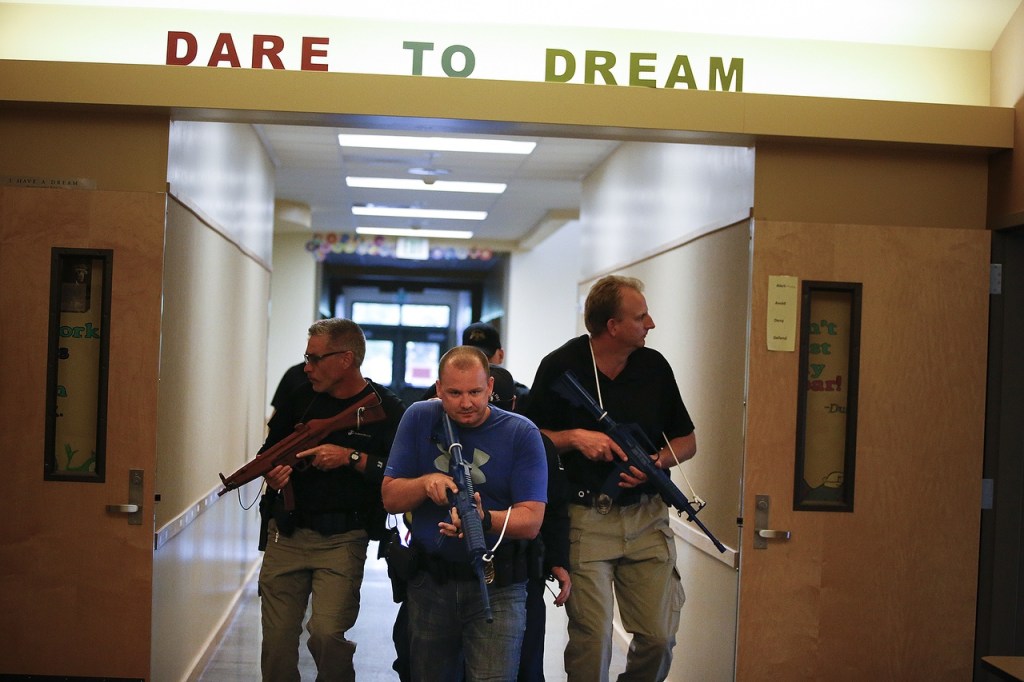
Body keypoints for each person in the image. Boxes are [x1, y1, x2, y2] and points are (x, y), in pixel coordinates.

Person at [525, 275, 696, 682]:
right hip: (587, 518)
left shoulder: (654, 367)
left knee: (658, 637)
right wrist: (574, 438)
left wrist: (655, 461)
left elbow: (687, 440)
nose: (651, 323)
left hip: (647, 517)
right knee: (593, 638)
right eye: (641, 317)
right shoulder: (560, 365)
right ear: (612, 326)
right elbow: (528, 437)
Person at [382, 345, 548, 681]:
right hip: (431, 582)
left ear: (490, 386)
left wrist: (484, 520)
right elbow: (390, 498)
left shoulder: (521, 433)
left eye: (475, 391)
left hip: (498, 584)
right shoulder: (418, 417)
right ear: (439, 389)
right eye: (454, 393)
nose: (466, 403)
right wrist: (426, 484)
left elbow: (531, 520)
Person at [257, 318, 406, 682]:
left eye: (315, 358)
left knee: (326, 634)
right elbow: (268, 453)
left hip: (344, 538)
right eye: (306, 358)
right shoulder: (299, 396)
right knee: (276, 643)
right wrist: (273, 473)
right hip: (287, 534)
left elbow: (399, 472)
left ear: (346, 359)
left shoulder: (386, 408)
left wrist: (350, 457)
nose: (307, 367)